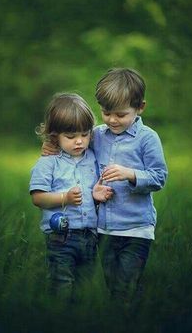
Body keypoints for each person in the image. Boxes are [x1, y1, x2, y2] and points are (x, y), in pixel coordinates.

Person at [42, 68, 168, 309]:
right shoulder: (97, 135)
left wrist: (130, 174)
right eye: (106, 112)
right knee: (113, 284)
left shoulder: (147, 138)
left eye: (120, 114)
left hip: (136, 228)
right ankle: (121, 316)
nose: (112, 120)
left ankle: (132, 316)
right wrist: (52, 148)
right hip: (104, 228)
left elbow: (159, 177)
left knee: (126, 284)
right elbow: (75, 147)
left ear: (140, 107)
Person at [29, 92, 113, 304]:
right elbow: (37, 198)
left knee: (85, 286)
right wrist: (64, 198)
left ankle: (80, 320)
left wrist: (96, 195)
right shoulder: (48, 162)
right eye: (70, 136)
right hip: (61, 237)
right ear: (54, 135)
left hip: (89, 235)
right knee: (62, 283)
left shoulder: (92, 157)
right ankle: (60, 319)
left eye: (85, 134)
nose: (79, 141)